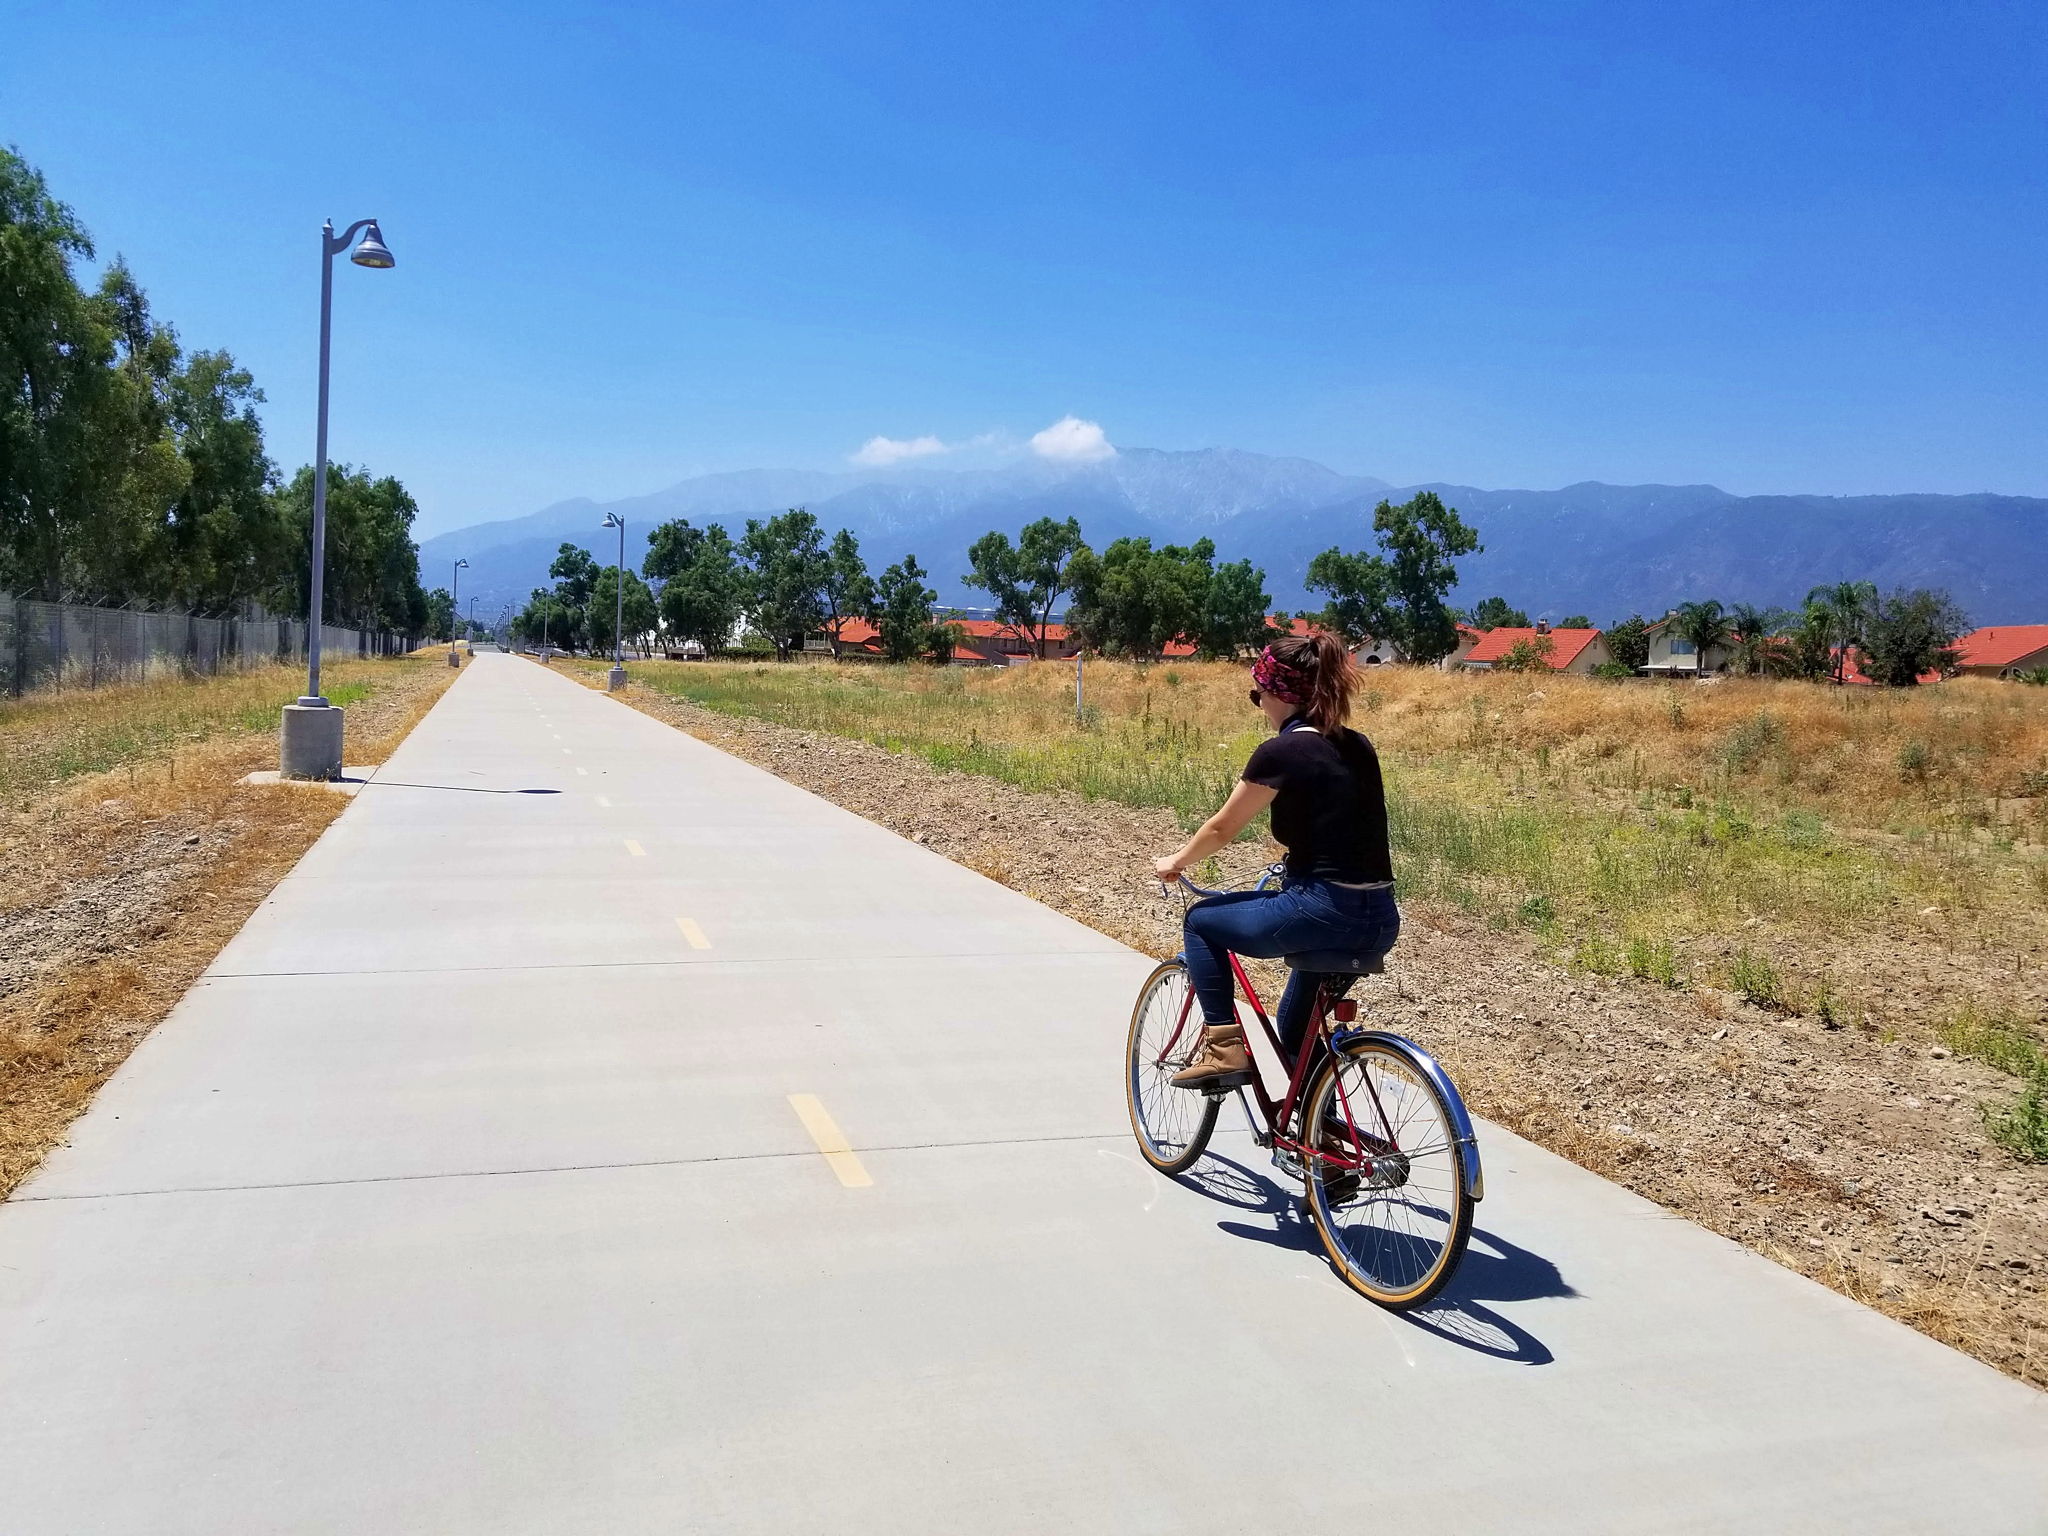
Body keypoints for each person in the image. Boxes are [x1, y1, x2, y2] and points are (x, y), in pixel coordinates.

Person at [1151, 632, 1398, 1090]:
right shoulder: (1357, 745)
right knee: (1296, 1025)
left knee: (1202, 921)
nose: (1259, 704)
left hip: (1321, 910)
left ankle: (1224, 1050)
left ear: (1278, 693)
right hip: (1380, 918)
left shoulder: (1282, 751)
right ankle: (1321, 1123)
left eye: (1257, 694)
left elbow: (1223, 828)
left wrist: (1176, 861)